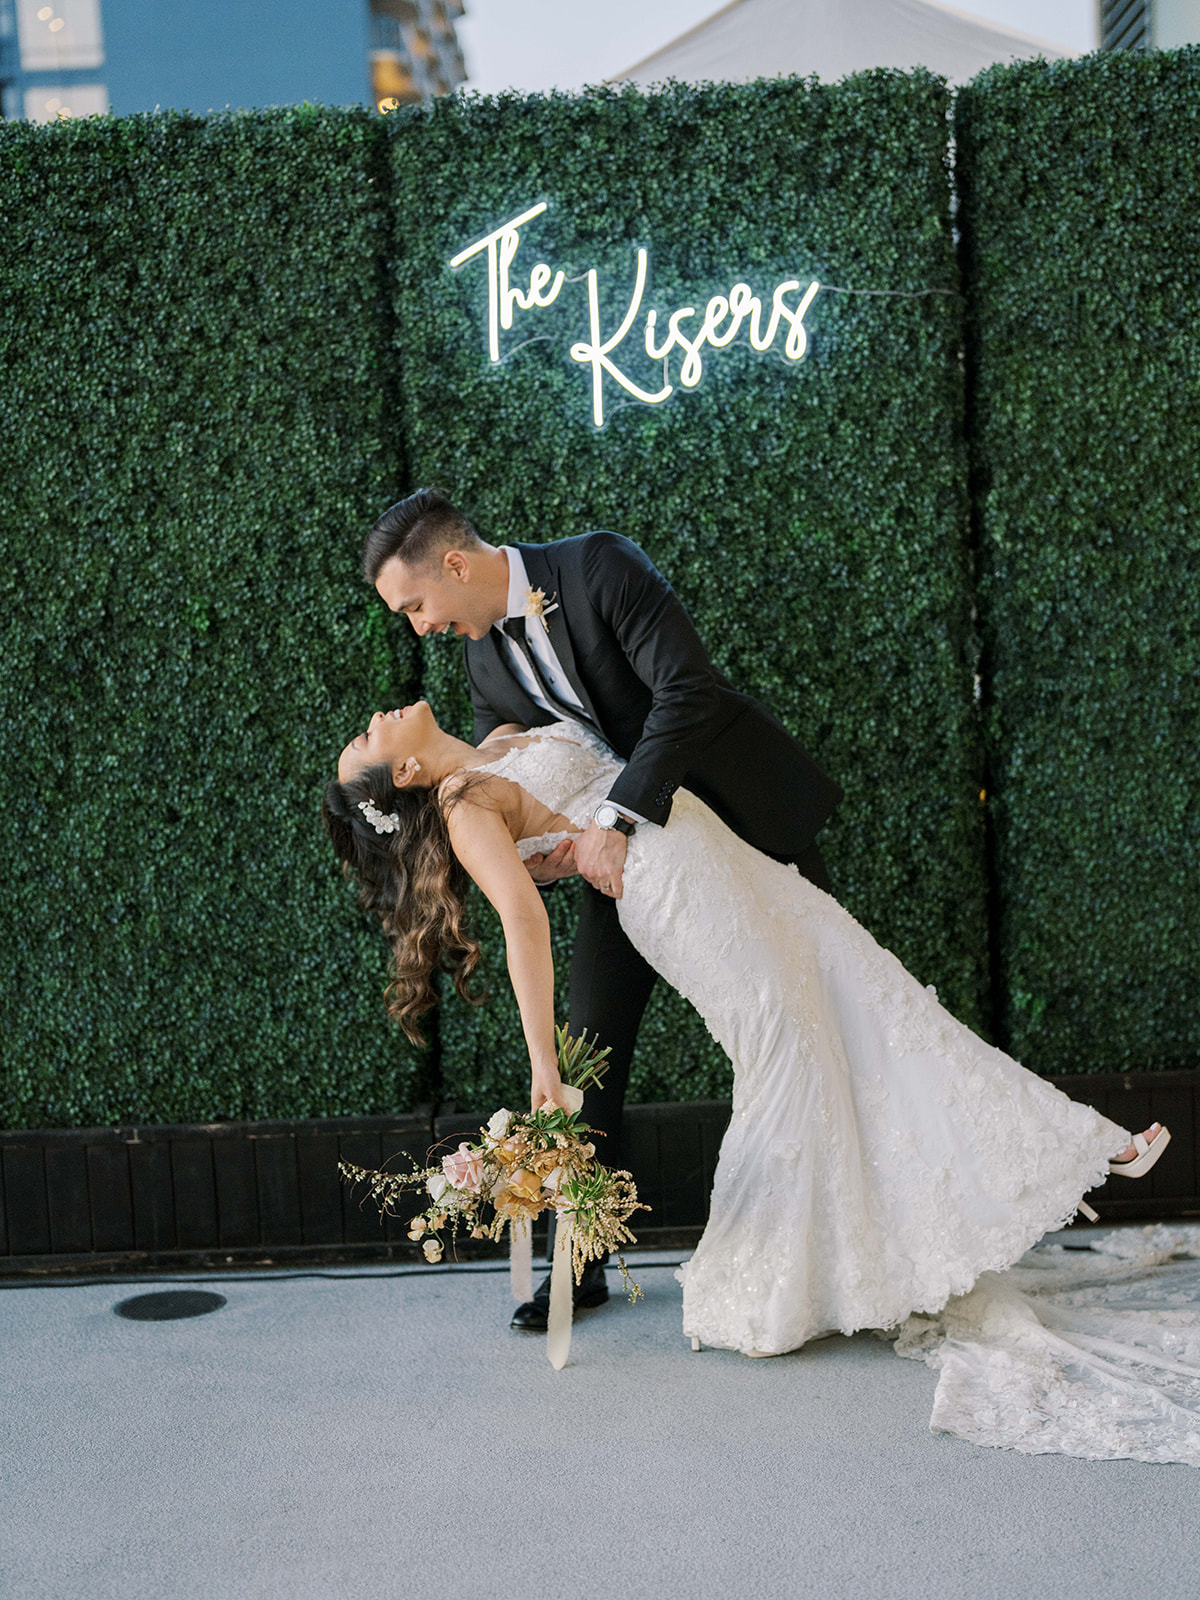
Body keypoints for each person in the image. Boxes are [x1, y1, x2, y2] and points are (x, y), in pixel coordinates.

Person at [322, 699, 1170, 1371]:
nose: (377, 713)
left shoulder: (500, 740)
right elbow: (523, 925)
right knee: (786, 1049)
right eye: (367, 735)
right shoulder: (464, 802)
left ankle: (1062, 1144)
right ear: (400, 770)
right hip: (671, 888)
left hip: (715, 850)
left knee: (874, 993)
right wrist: (545, 1065)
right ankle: (774, 1285)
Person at [357, 489, 844, 1332]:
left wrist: (616, 818)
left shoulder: (597, 566)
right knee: (590, 1046)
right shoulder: (481, 664)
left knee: (815, 1009)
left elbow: (687, 689)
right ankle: (574, 1264)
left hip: (734, 820)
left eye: (416, 606)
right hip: (629, 874)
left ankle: (837, 1229)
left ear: (457, 565)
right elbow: (518, 776)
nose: (418, 627)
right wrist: (534, 859)